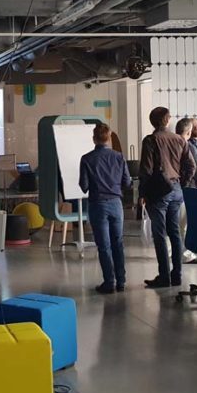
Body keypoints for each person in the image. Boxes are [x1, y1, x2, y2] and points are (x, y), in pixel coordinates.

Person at [139, 106, 195, 289]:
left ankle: (164, 276)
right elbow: (191, 166)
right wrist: (181, 183)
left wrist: (142, 193)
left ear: (152, 121)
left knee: (160, 234)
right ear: (168, 120)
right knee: (175, 233)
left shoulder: (150, 140)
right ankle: (177, 275)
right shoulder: (179, 139)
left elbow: (146, 170)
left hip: (158, 192)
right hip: (176, 190)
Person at [80, 123, 131, 294]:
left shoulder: (87, 159)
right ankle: (121, 281)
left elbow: (84, 186)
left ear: (94, 138)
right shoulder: (119, 157)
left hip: (97, 204)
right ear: (109, 138)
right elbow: (127, 182)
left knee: (104, 246)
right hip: (116, 204)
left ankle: (109, 282)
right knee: (118, 243)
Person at [176, 117, 197, 265]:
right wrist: (188, 185)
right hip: (186, 190)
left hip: (172, 189)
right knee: (185, 225)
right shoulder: (188, 147)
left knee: (174, 224)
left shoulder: (170, 144)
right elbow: (196, 168)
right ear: (188, 131)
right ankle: (187, 254)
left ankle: (173, 252)